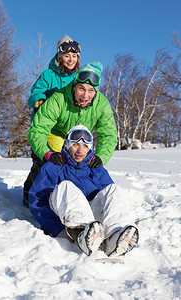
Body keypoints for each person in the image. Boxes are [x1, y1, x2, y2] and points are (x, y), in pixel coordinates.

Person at [29, 125, 139, 256]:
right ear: (67, 144)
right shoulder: (54, 166)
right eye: (75, 144)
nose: (80, 150)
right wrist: (57, 230)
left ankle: (114, 235)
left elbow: (110, 201)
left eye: (85, 146)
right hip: (64, 218)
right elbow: (37, 202)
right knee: (66, 186)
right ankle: (81, 233)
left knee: (114, 189)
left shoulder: (96, 169)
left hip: (93, 222)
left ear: (90, 148)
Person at [28, 61, 117, 177]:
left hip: (80, 140)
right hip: (55, 137)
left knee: (89, 170)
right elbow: (38, 129)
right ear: (74, 87)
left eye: (90, 90)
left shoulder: (102, 104)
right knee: (47, 168)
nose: (85, 96)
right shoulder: (58, 99)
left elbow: (108, 135)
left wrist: (101, 157)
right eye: (81, 89)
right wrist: (47, 153)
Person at [23, 34, 81, 207]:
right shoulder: (48, 75)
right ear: (59, 56)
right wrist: (39, 100)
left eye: (74, 56)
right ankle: (29, 196)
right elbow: (36, 91)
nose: (70, 59)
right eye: (66, 56)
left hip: (65, 130)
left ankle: (58, 198)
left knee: (63, 165)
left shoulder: (78, 78)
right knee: (42, 163)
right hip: (45, 127)